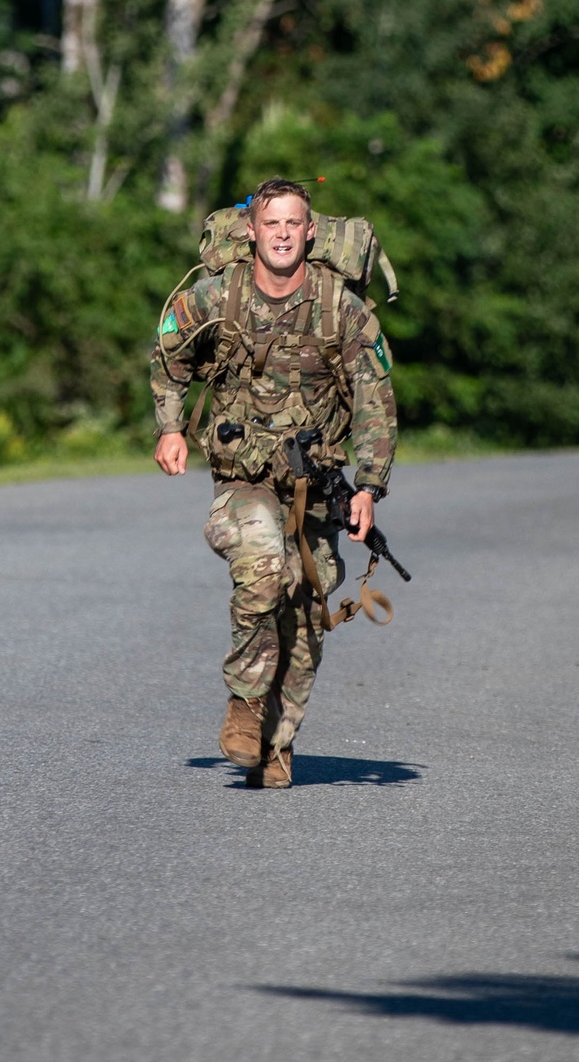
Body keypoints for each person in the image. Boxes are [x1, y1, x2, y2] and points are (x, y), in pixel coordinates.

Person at [150, 177, 397, 788]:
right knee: (263, 564)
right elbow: (168, 356)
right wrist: (171, 427)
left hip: (316, 482)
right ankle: (244, 702)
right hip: (243, 479)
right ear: (252, 232)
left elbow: (375, 401)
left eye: (294, 224)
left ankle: (277, 745)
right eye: (272, 224)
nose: (282, 234)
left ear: (310, 233)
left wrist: (367, 486)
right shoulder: (215, 296)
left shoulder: (341, 307)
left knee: (306, 612)